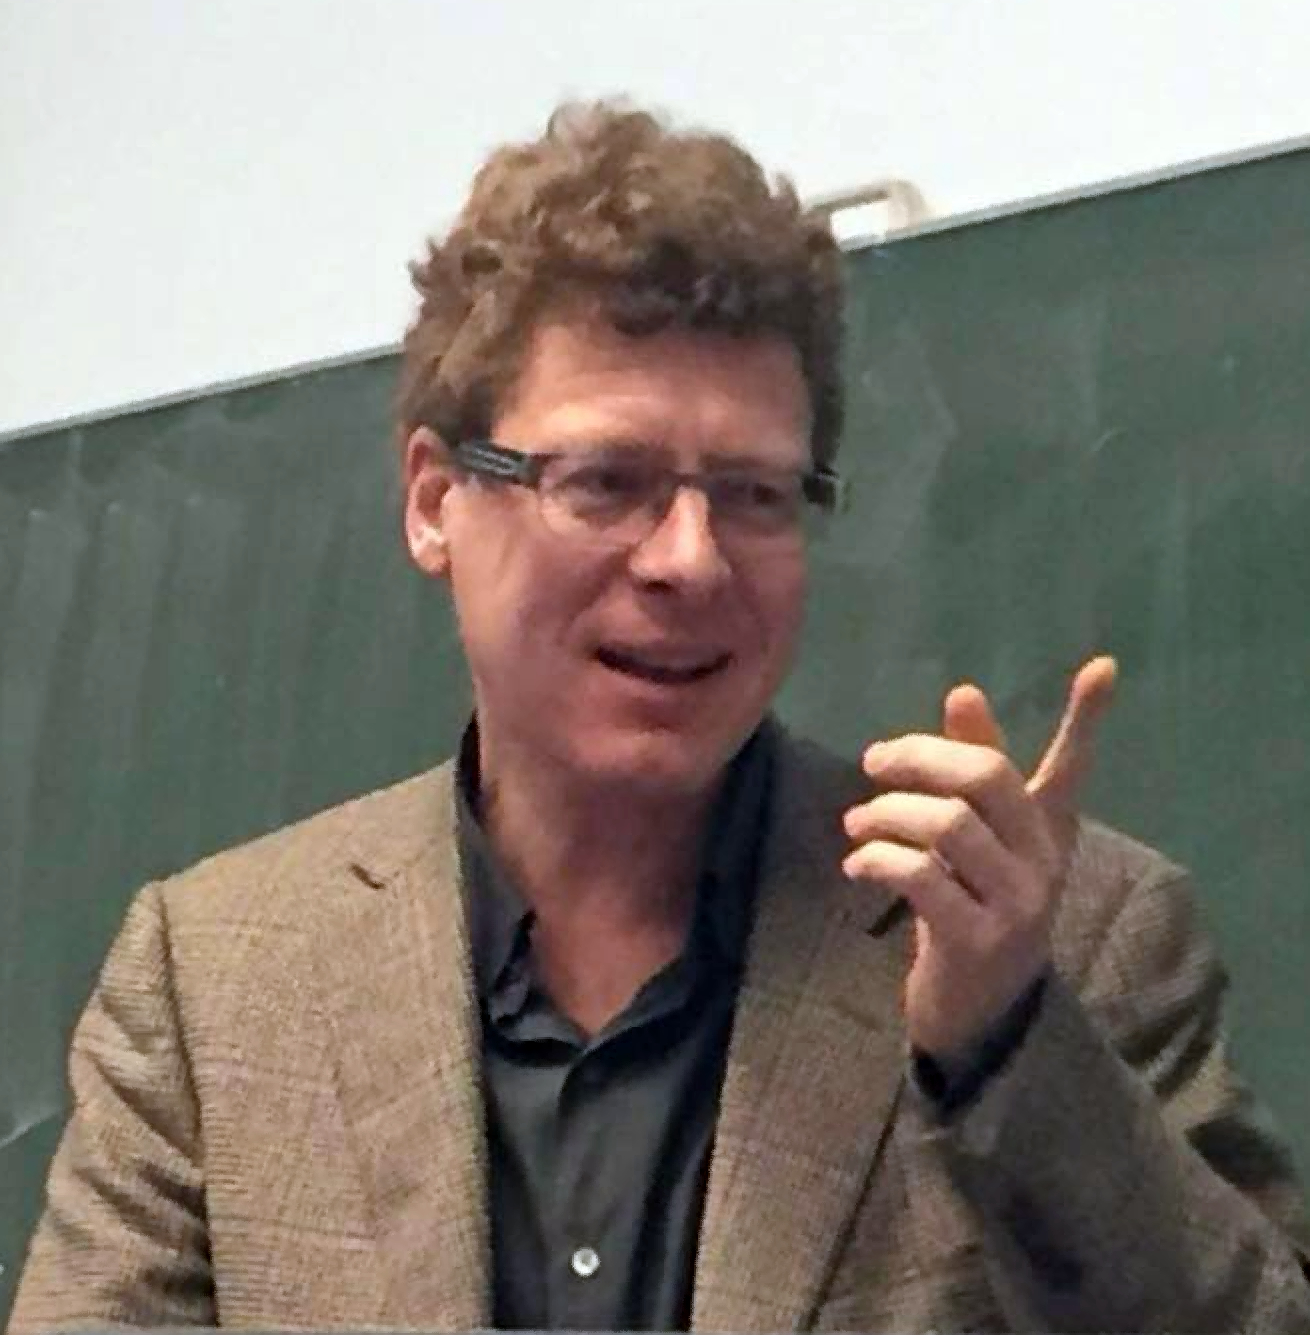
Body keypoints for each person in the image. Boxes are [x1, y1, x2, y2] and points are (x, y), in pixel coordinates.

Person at [8, 101, 1309, 1335]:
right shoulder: (216, 984)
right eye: (605, 480)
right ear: (433, 501)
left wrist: (1005, 1046)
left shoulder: (1057, 937)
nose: (690, 559)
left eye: (753, 494)